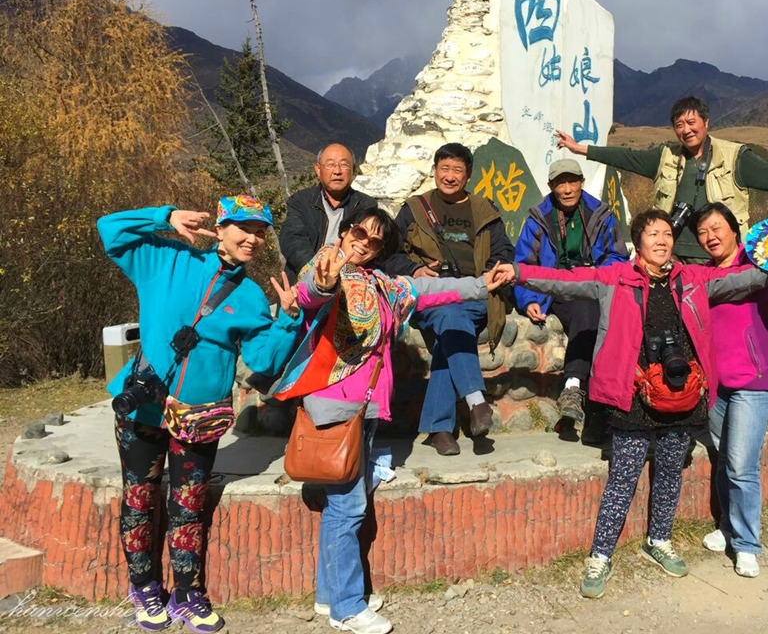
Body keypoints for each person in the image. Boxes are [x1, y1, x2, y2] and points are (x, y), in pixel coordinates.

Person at [497, 209, 768, 599]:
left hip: (681, 394)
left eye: (667, 234)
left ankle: (659, 540)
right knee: (622, 479)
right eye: (653, 234)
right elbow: (566, 280)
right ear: (638, 242)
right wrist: (519, 272)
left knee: (671, 475)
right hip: (632, 396)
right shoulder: (614, 278)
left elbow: (748, 278)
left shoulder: (692, 279)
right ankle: (600, 556)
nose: (661, 240)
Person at [285, 208, 512, 634]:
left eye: (375, 240)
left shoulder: (383, 285)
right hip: (334, 404)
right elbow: (311, 294)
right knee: (348, 507)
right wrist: (324, 282)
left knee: (340, 505)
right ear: (345, 230)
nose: (364, 243)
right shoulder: (325, 265)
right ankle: (348, 608)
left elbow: (431, 288)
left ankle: (329, 595)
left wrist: (481, 284)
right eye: (359, 232)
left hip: (363, 409)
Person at [97, 196, 302, 633]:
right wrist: (164, 217)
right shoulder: (167, 259)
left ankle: (187, 593)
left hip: (201, 416)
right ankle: (144, 588)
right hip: (144, 407)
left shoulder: (250, 295)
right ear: (221, 228)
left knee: (188, 506)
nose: (253, 238)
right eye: (244, 227)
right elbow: (109, 229)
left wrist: (287, 320)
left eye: (261, 232)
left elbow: (263, 361)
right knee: (140, 498)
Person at [555, 95, 768, 262]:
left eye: (691, 122)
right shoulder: (665, 157)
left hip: (722, 258)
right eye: (679, 125)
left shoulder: (735, 157)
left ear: (706, 122)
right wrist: (580, 149)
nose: (686, 130)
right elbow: (625, 157)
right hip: (673, 257)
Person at [692, 202, 768, 579]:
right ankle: (728, 527)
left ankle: (746, 544)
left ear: (734, 229)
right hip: (715, 383)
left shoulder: (758, 261)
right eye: (703, 232)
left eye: (716, 228)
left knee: (742, 464)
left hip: (754, 380)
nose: (710, 237)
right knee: (725, 458)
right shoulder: (703, 274)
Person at [383, 143, 514, 456]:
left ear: (468, 176)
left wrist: (487, 277)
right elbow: (388, 254)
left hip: (476, 293)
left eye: (457, 170)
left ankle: (440, 428)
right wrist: (414, 269)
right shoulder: (414, 209)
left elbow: (503, 252)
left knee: (451, 327)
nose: (450, 176)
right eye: (444, 168)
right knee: (451, 317)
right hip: (430, 295)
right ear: (434, 170)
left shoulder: (485, 210)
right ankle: (476, 402)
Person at [513, 158, 627, 432]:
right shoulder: (538, 219)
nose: (567, 189)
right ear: (551, 186)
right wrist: (529, 300)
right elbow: (523, 264)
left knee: (595, 313)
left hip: (593, 286)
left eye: (572, 181)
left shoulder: (600, 215)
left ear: (581, 183)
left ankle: (579, 397)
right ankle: (582, 398)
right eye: (560, 183)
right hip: (555, 290)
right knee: (588, 312)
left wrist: (596, 274)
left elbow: (617, 256)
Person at [279, 142, 378, 281]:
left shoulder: (366, 205)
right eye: (330, 164)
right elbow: (293, 240)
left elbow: (371, 248)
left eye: (344, 165)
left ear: (353, 170)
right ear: (318, 169)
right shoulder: (301, 201)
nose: (337, 171)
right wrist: (317, 273)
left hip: (349, 281)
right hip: (304, 280)